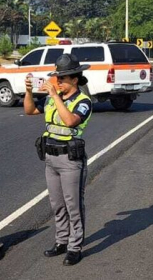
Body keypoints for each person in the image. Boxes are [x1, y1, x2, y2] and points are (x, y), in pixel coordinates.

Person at [24, 53, 93, 266]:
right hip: (51, 158)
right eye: (57, 78)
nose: (58, 82)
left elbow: (71, 121)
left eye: (62, 78)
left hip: (70, 160)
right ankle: (62, 241)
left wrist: (55, 96)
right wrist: (28, 91)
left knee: (73, 205)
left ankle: (74, 247)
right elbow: (30, 110)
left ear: (75, 79)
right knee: (57, 204)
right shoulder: (52, 98)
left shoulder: (83, 101)